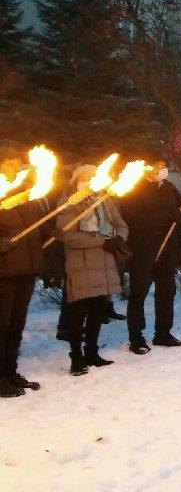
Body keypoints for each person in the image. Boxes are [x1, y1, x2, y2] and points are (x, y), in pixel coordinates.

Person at [56, 164, 128, 375]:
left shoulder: (104, 201)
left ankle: (92, 352)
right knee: (78, 313)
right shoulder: (68, 203)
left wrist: (118, 239)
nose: (89, 181)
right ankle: (76, 358)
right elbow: (68, 236)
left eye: (92, 177)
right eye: (85, 177)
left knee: (98, 311)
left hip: (104, 264)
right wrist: (101, 241)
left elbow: (121, 224)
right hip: (82, 264)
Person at [118, 160, 181, 355]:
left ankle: (163, 332)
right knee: (139, 292)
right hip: (143, 249)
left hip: (167, 248)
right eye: (157, 166)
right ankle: (136, 337)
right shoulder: (133, 188)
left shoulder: (168, 187)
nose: (162, 170)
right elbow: (132, 218)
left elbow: (180, 207)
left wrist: (180, 214)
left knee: (167, 291)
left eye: (164, 165)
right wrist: (165, 217)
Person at [0, 156, 47, 396]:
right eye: (9, 164)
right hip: (4, 272)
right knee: (2, 325)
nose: (15, 168)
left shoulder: (29, 198)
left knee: (16, 325)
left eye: (18, 164)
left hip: (26, 270)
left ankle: (10, 372)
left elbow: (40, 227)